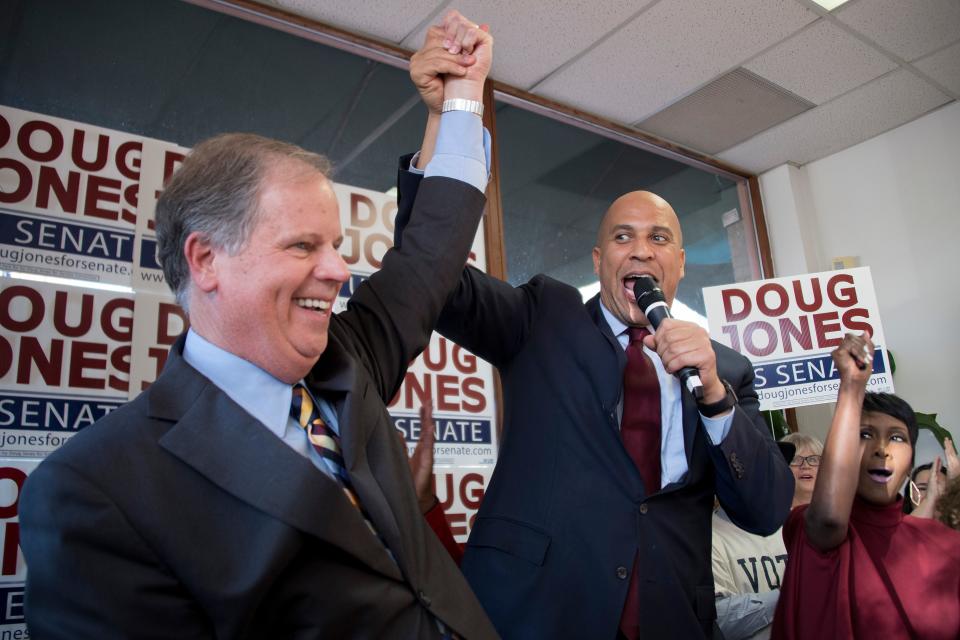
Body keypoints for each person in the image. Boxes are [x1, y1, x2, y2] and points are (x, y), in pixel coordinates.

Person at [19, 16, 500, 639]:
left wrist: (461, 98)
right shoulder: (96, 492)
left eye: (334, 244)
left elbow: (431, 251)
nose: (336, 269)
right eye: (303, 246)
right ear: (206, 259)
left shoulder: (349, 359)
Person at [398, 37, 794, 638]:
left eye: (659, 239)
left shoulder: (728, 371)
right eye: (623, 237)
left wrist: (712, 395)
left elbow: (764, 511)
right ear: (599, 258)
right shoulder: (543, 319)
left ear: (681, 263)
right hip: (534, 614)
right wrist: (445, 117)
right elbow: (434, 272)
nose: (640, 249)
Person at [771, 333, 960, 639]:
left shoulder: (944, 544)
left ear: (912, 461)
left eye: (897, 437)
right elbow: (831, 518)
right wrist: (851, 387)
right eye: (865, 434)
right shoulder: (806, 525)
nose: (881, 448)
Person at [711, 441, 795, 640]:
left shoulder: (797, 523)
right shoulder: (706, 536)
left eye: (767, 469)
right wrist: (790, 595)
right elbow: (716, 620)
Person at [779, 432, 823, 508]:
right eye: (795, 460)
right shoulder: (769, 517)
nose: (806, 466)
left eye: (813, 459)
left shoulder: (842, 513)